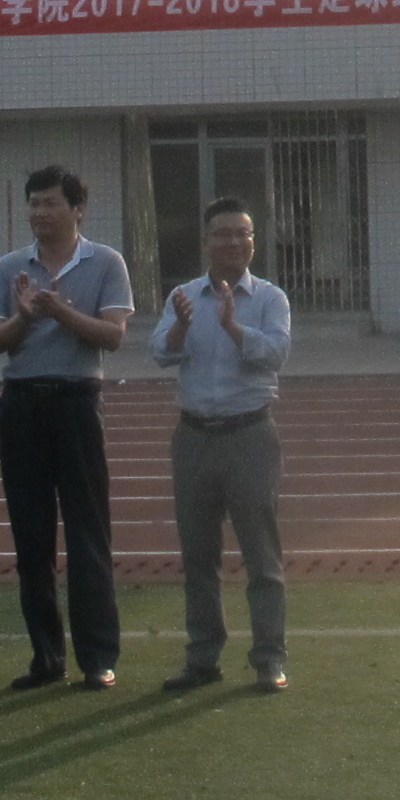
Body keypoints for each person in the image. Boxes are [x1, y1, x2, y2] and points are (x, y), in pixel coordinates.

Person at [0, 164, 136, 690]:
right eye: (34, 203)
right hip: (22, 403)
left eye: (50, 203)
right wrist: (25, 317)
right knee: (31, 538)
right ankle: (46, 657)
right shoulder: (10, 267)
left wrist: (59, 312)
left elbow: (112, 337)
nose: (40, 213)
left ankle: (98, 657)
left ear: (77, 209)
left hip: (76, 402)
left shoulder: (106, 262)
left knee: (88, 532)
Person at [152, 195, 297, 693]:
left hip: (250, 435)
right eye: (223, 233)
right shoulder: (184, 296)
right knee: (198, 557)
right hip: (194, 436)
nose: (234, 242)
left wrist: (234, 327)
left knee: (262, 556)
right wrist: (181, 326)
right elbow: (158, 353)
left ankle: (269, 658)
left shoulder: (271, 299)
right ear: (206, 242)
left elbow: (276, 354)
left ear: (253, 241)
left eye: (243, 233)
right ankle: (203, 656)